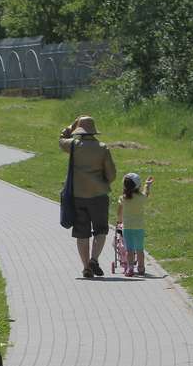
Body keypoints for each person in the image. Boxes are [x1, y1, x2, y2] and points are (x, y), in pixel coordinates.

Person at [59, 115, 116, 278]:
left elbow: (61, 140)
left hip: (78, 195)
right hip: (98, 195)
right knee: (101, 229)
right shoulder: (103, 148)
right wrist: (103, 180)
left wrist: (69, 128)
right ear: (93, 131)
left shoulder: (74, 145)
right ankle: (94, 259)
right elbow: (111, 174)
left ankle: (86, 267)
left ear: (79, 130)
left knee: (81, 232)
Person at [116, 172, 153, 276]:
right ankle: (141, 268)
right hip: (139, 227)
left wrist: (119, 221)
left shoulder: (123, 198)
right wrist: (147, 185)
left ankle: (130, 268)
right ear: (138, 185)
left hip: (127, 227)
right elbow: (146, 193)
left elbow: (119, 213)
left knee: (130, 249)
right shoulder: (141, 197)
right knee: (140, 249)